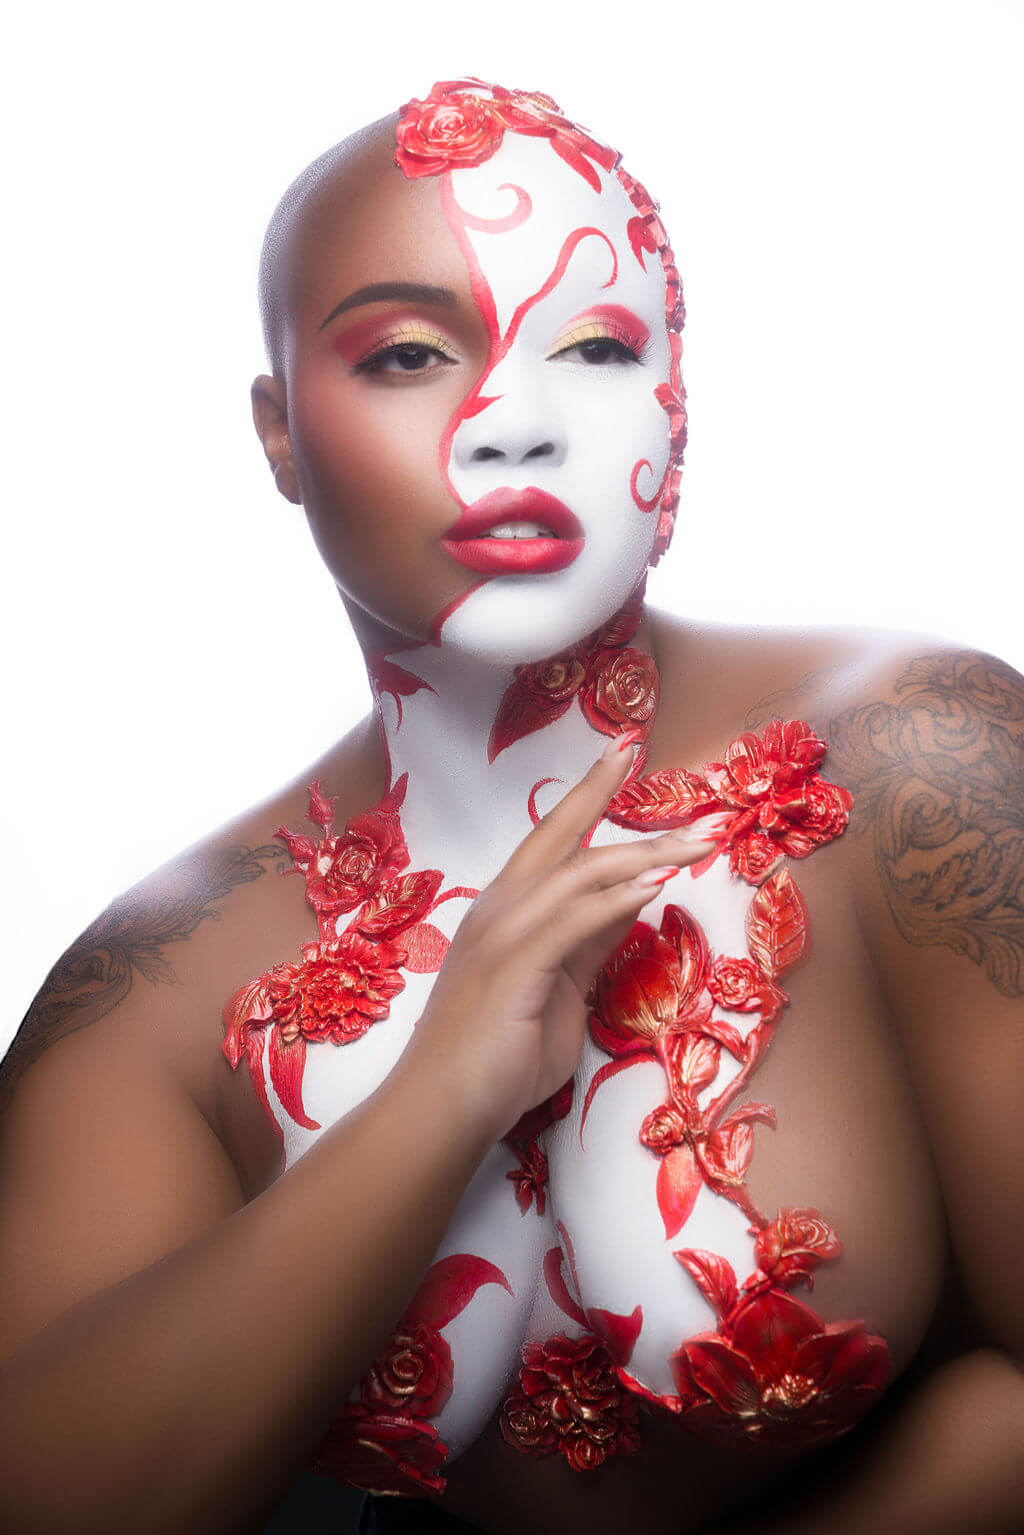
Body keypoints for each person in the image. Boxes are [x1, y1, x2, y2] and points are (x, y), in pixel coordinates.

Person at [1, 75, 1021, 1535]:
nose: (513, 426)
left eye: (596, 346)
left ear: (678, 400)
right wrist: (441, 1093)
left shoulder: (922, 763)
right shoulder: (155, 988)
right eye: (411, 355)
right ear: (279, 434)